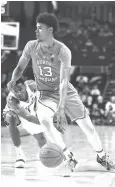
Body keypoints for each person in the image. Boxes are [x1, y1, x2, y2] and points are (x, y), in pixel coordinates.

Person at [7, 13, 115, 171]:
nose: (36, 31)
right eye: (36, 28)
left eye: (40, 28)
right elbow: (20, 67)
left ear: (50, 30)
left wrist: (62, 108)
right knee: (44, 120)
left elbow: (64, 81)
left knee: (88, 127)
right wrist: (13, 79)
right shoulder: (31, 46)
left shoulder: (63, 51)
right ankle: (68, 155)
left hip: (66, 92)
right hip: (45, 93)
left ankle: (101, 155)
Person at [3, 78, 76, 170]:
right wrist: (52, 124)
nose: (18, 93)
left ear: (25, 86)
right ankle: (20, 156)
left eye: (20, 89)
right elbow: (29, 117)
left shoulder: (33, 85)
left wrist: (57, 114)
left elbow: (51, 97)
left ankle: (62, 156)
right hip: (19, 117)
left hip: (32, 112)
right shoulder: (11, 100)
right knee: (11, 117)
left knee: (41, 139)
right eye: (15, 91)